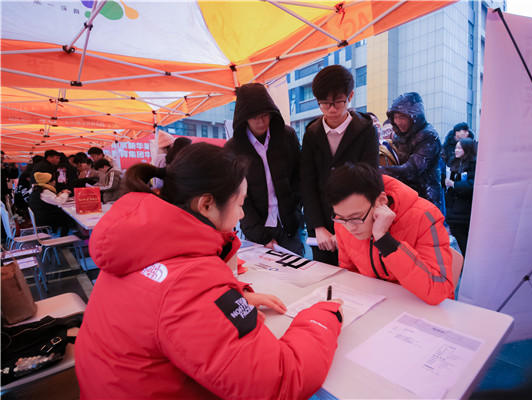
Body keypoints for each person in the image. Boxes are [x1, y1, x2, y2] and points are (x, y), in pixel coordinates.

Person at [75, 143, 343, 399]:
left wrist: (234, 295)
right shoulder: (190, 281)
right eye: (240, 204)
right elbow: (279, 382)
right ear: (206, 205)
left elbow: (161, 306)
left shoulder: (139, 246)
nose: (241, 215)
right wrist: (322, 318)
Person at [326, 162, 454, 305]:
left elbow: (439, 290)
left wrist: (385, 240)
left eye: (356, 218)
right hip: (377, 308)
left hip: (420, 309)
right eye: (341, 218)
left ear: (381, 200)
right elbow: (349, 274)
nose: (349, 227)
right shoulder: (343, 220)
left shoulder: (425, 217)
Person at [301, 64, 379, 265]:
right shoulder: (312, 133)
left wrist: (349, 227)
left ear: (350, 96)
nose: (332, 109)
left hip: (356, 223)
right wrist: (317, 227)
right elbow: (307, 183)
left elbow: (371, 181)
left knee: (357, 281)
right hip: (322, 228)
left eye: (338, 102)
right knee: (324, 278)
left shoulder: (366, 131)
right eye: (324, 104)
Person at [224, 83, 304, 255]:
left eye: (264, 115)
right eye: (254, 117)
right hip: (256, 231)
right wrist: (261, 236)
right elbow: (238, 197)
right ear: (244, 118)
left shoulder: (287, 136)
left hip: (289, 225)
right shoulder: (233, 148)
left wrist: (295, 208)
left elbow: (299, 176)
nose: (261, 122)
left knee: (299, 277)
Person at [380, 92, 444, 211]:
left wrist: (375, 171)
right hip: (406, 195)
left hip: (426, 198)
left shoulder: (428, 135)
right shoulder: (401, 136)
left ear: (414, 116)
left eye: (402, 117)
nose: (398, 122)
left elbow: (411, 170)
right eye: (396, 117)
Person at [444, 138, 477, 256]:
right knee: (459, 239)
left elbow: (473, 186)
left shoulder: (474, 164)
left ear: (467, 149)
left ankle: (466, 265)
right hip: (453, 209)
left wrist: (454, 184)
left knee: (464, 241)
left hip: (464, 211)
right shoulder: (455, 162)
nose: (456, 150)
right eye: (456, 147)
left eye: (459, 148)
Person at [28, 172, 72, 236]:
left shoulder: (35, 189)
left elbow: (51, 199)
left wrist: (59, 194)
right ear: (49, 182)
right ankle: (62, 241)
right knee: (68, 220)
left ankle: (59, 237)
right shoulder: (44, 191)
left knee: (64, 217)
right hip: (44, 219)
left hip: (38, 218)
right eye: (53, 180)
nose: (55, 182)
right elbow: (59, 201)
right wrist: (66, 193)